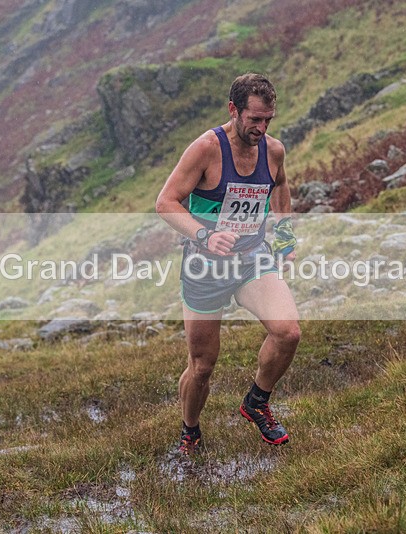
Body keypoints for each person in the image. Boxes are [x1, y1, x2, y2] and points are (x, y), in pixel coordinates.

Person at [156, 73, 301, 455]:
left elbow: (280, 187)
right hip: (206, 266)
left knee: (288, 332)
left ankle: (256, 402)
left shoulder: (273, 150)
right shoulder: (206, 148)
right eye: (254, 119)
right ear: (233, 110)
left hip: (252, 257)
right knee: (202, 366)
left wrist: (284, 239)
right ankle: (190, 430)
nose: (261, 128)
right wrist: (205, 235)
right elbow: (166, 202)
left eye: (268, 119)